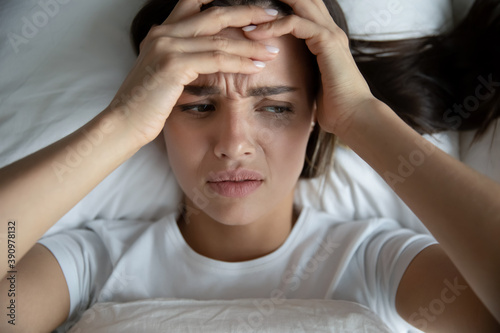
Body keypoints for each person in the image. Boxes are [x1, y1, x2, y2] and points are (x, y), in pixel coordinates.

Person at [0, 0, 499, 332]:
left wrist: (362, 117)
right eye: (197, 106)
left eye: (276, 107)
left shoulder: (378, 264)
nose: (234, 145)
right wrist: (123, 121)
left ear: (317, 115)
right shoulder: (89, 266)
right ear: (160, 119)